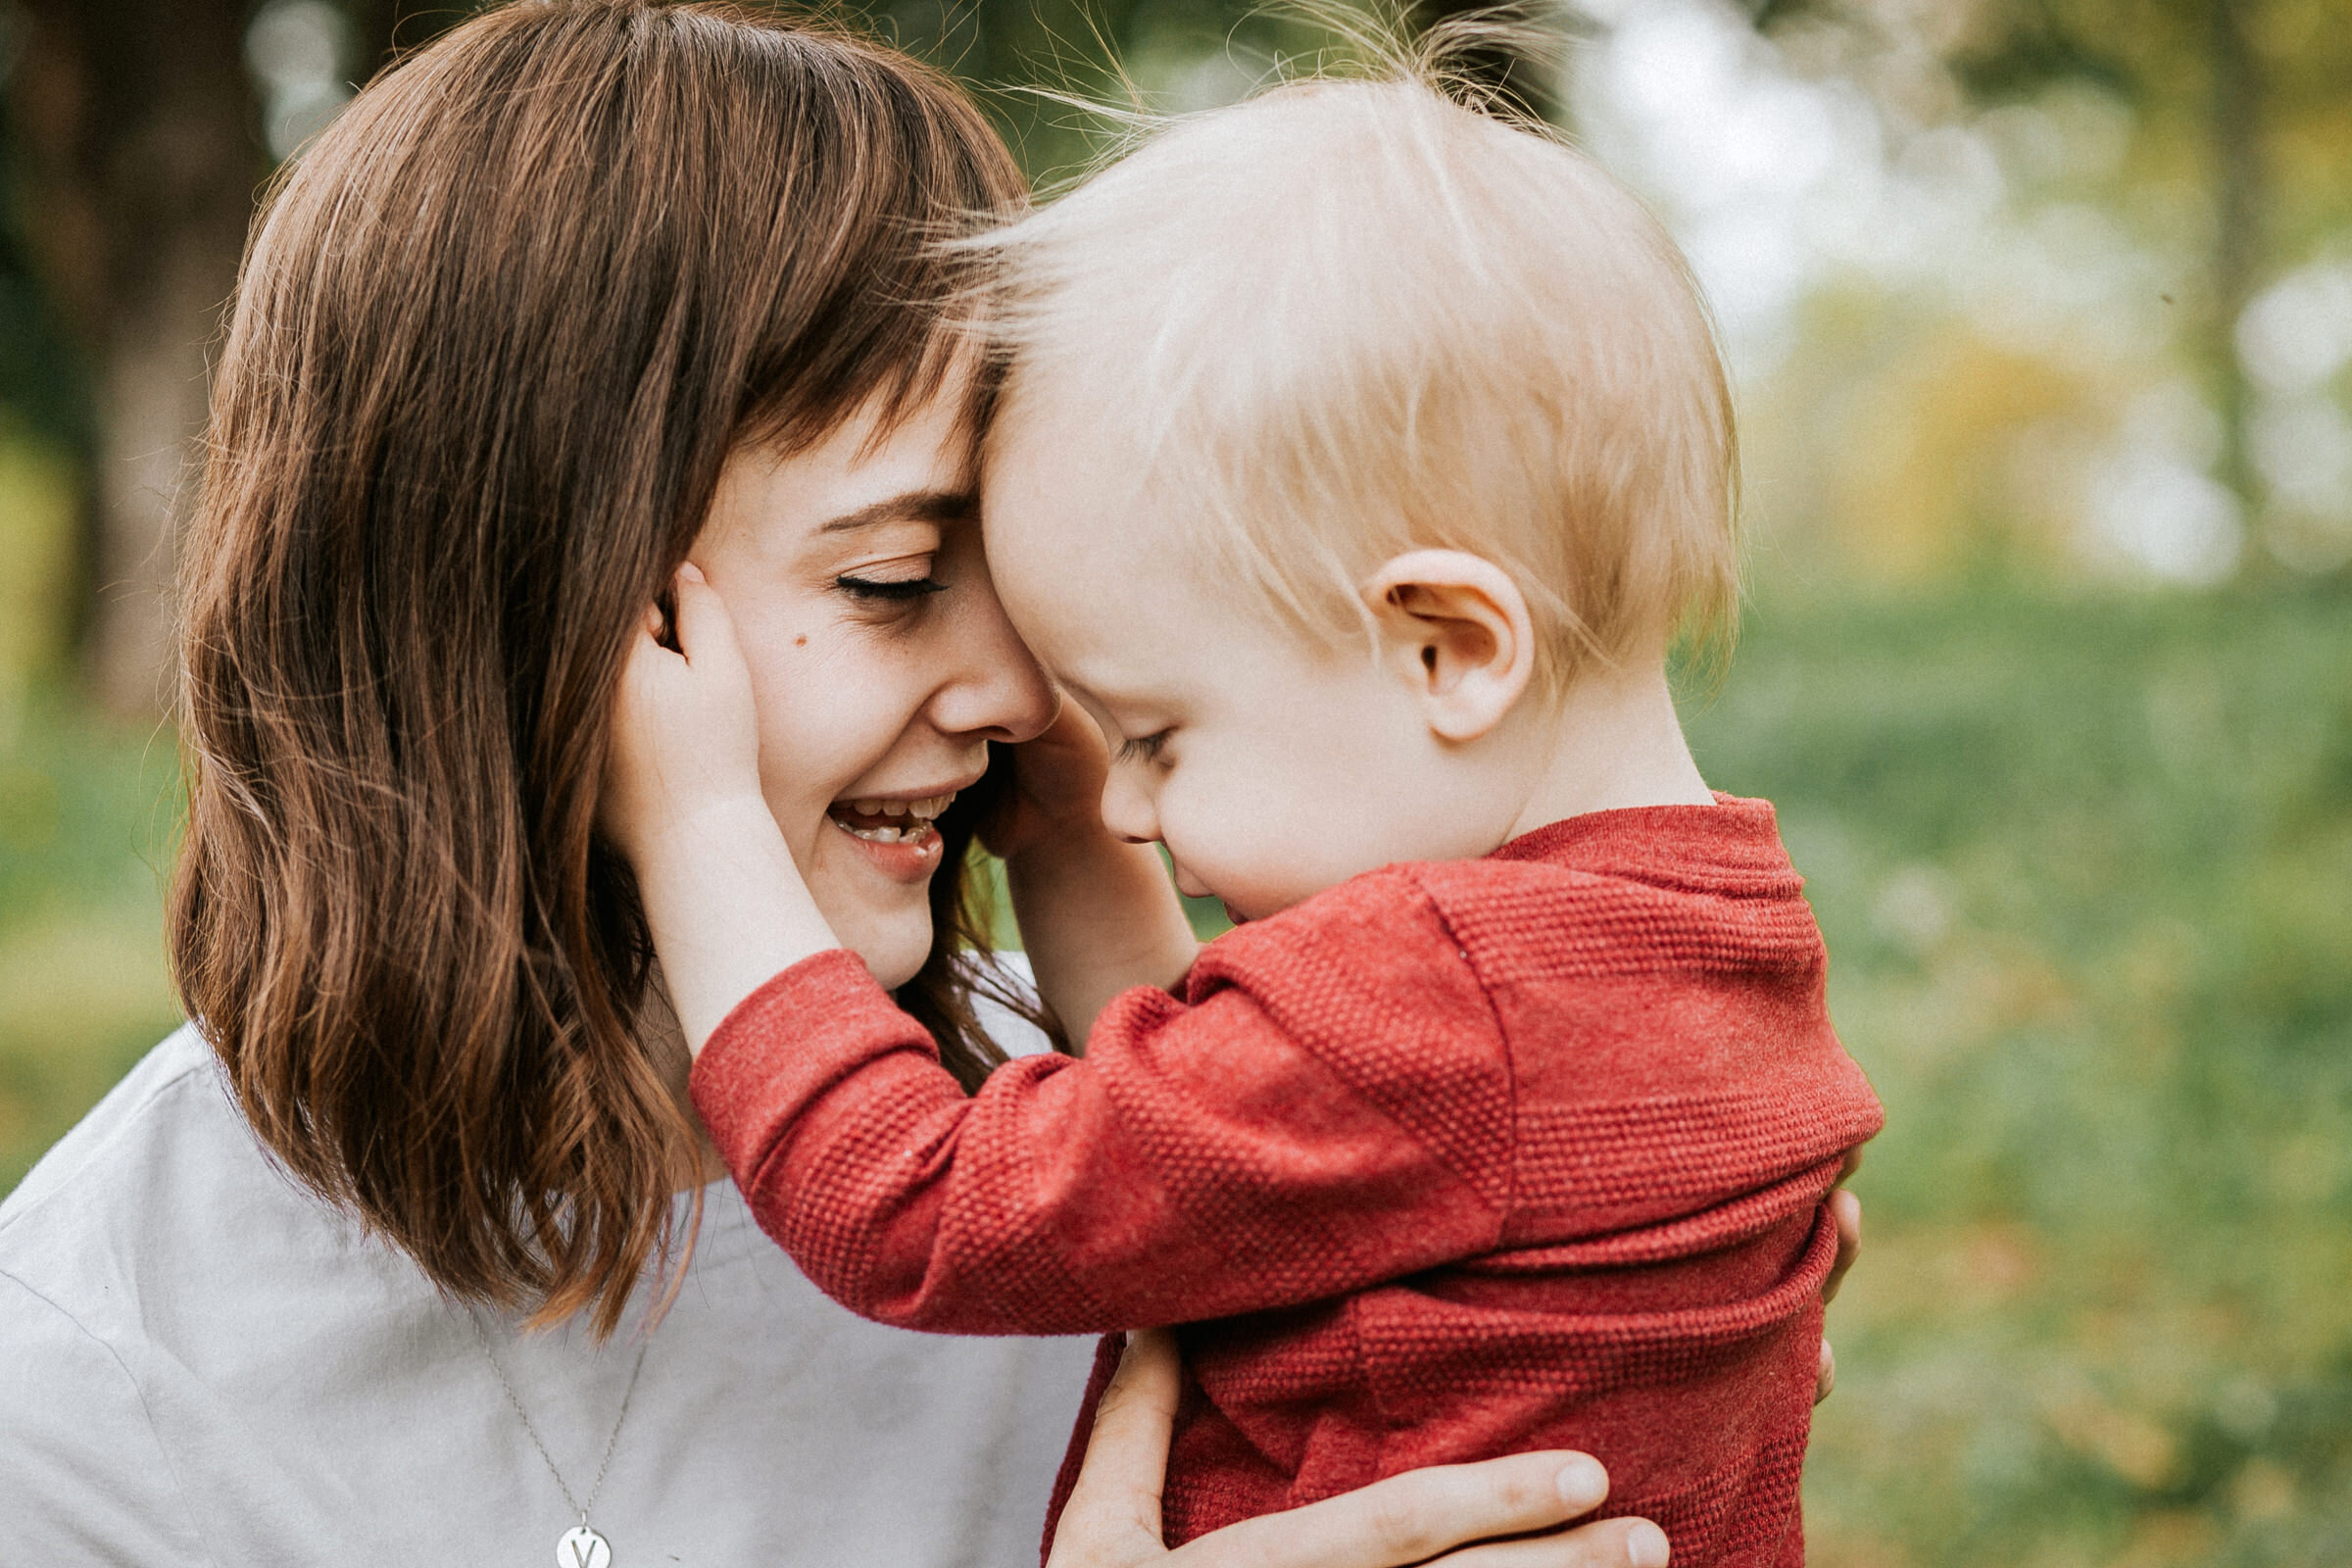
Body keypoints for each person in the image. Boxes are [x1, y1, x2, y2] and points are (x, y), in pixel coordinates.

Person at [0, 6, 1708, 1566]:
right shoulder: (92, 1376)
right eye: (892, 577)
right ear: (525, 601)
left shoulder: (1170, 1142)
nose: (1025, 690)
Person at [600, 63, 1883, 1568]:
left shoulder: (1431, 996)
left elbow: (914, 1207)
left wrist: (699, 828)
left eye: (1155, 732)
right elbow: (1201, 1126)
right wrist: (1067, 832)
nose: (1125, 799)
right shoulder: (1717, 926)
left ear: (1447, 649)